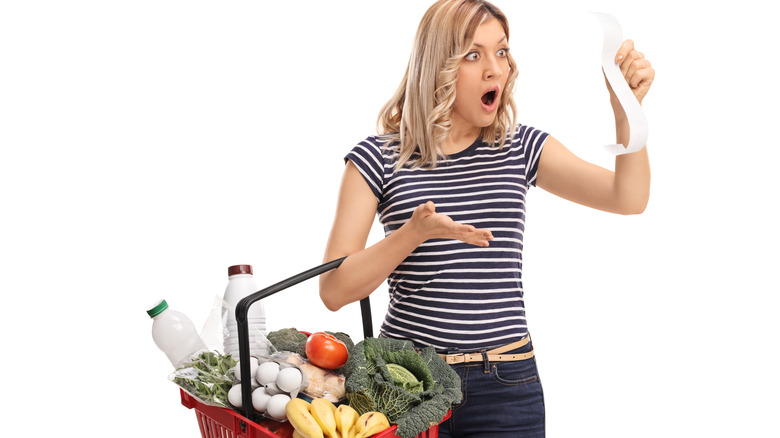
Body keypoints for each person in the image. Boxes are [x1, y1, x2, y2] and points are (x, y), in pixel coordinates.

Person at [319, 0, 654, 436]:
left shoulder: (520, 148)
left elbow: (627, 197)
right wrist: (414, 233)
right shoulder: (376, 159)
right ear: (437, 66)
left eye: (502, 51)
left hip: (507, 387)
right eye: (474, 55)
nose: (495, 69)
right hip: (406, 384)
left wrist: (625, 107)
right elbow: (334, 289)